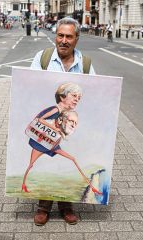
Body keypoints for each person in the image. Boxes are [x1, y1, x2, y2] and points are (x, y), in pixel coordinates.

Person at [30, 17, 95, 226]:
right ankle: (44, 205)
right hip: (51, 127)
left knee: (69, 163)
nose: (63, 40)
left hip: (71, 126)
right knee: (47, 163)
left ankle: (67, 205)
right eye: (60, 35)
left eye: (69, 36)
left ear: (76, 39)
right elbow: (30, 85)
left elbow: (94, 92)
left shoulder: (85, 63)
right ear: (55, 36)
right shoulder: (43, 58)